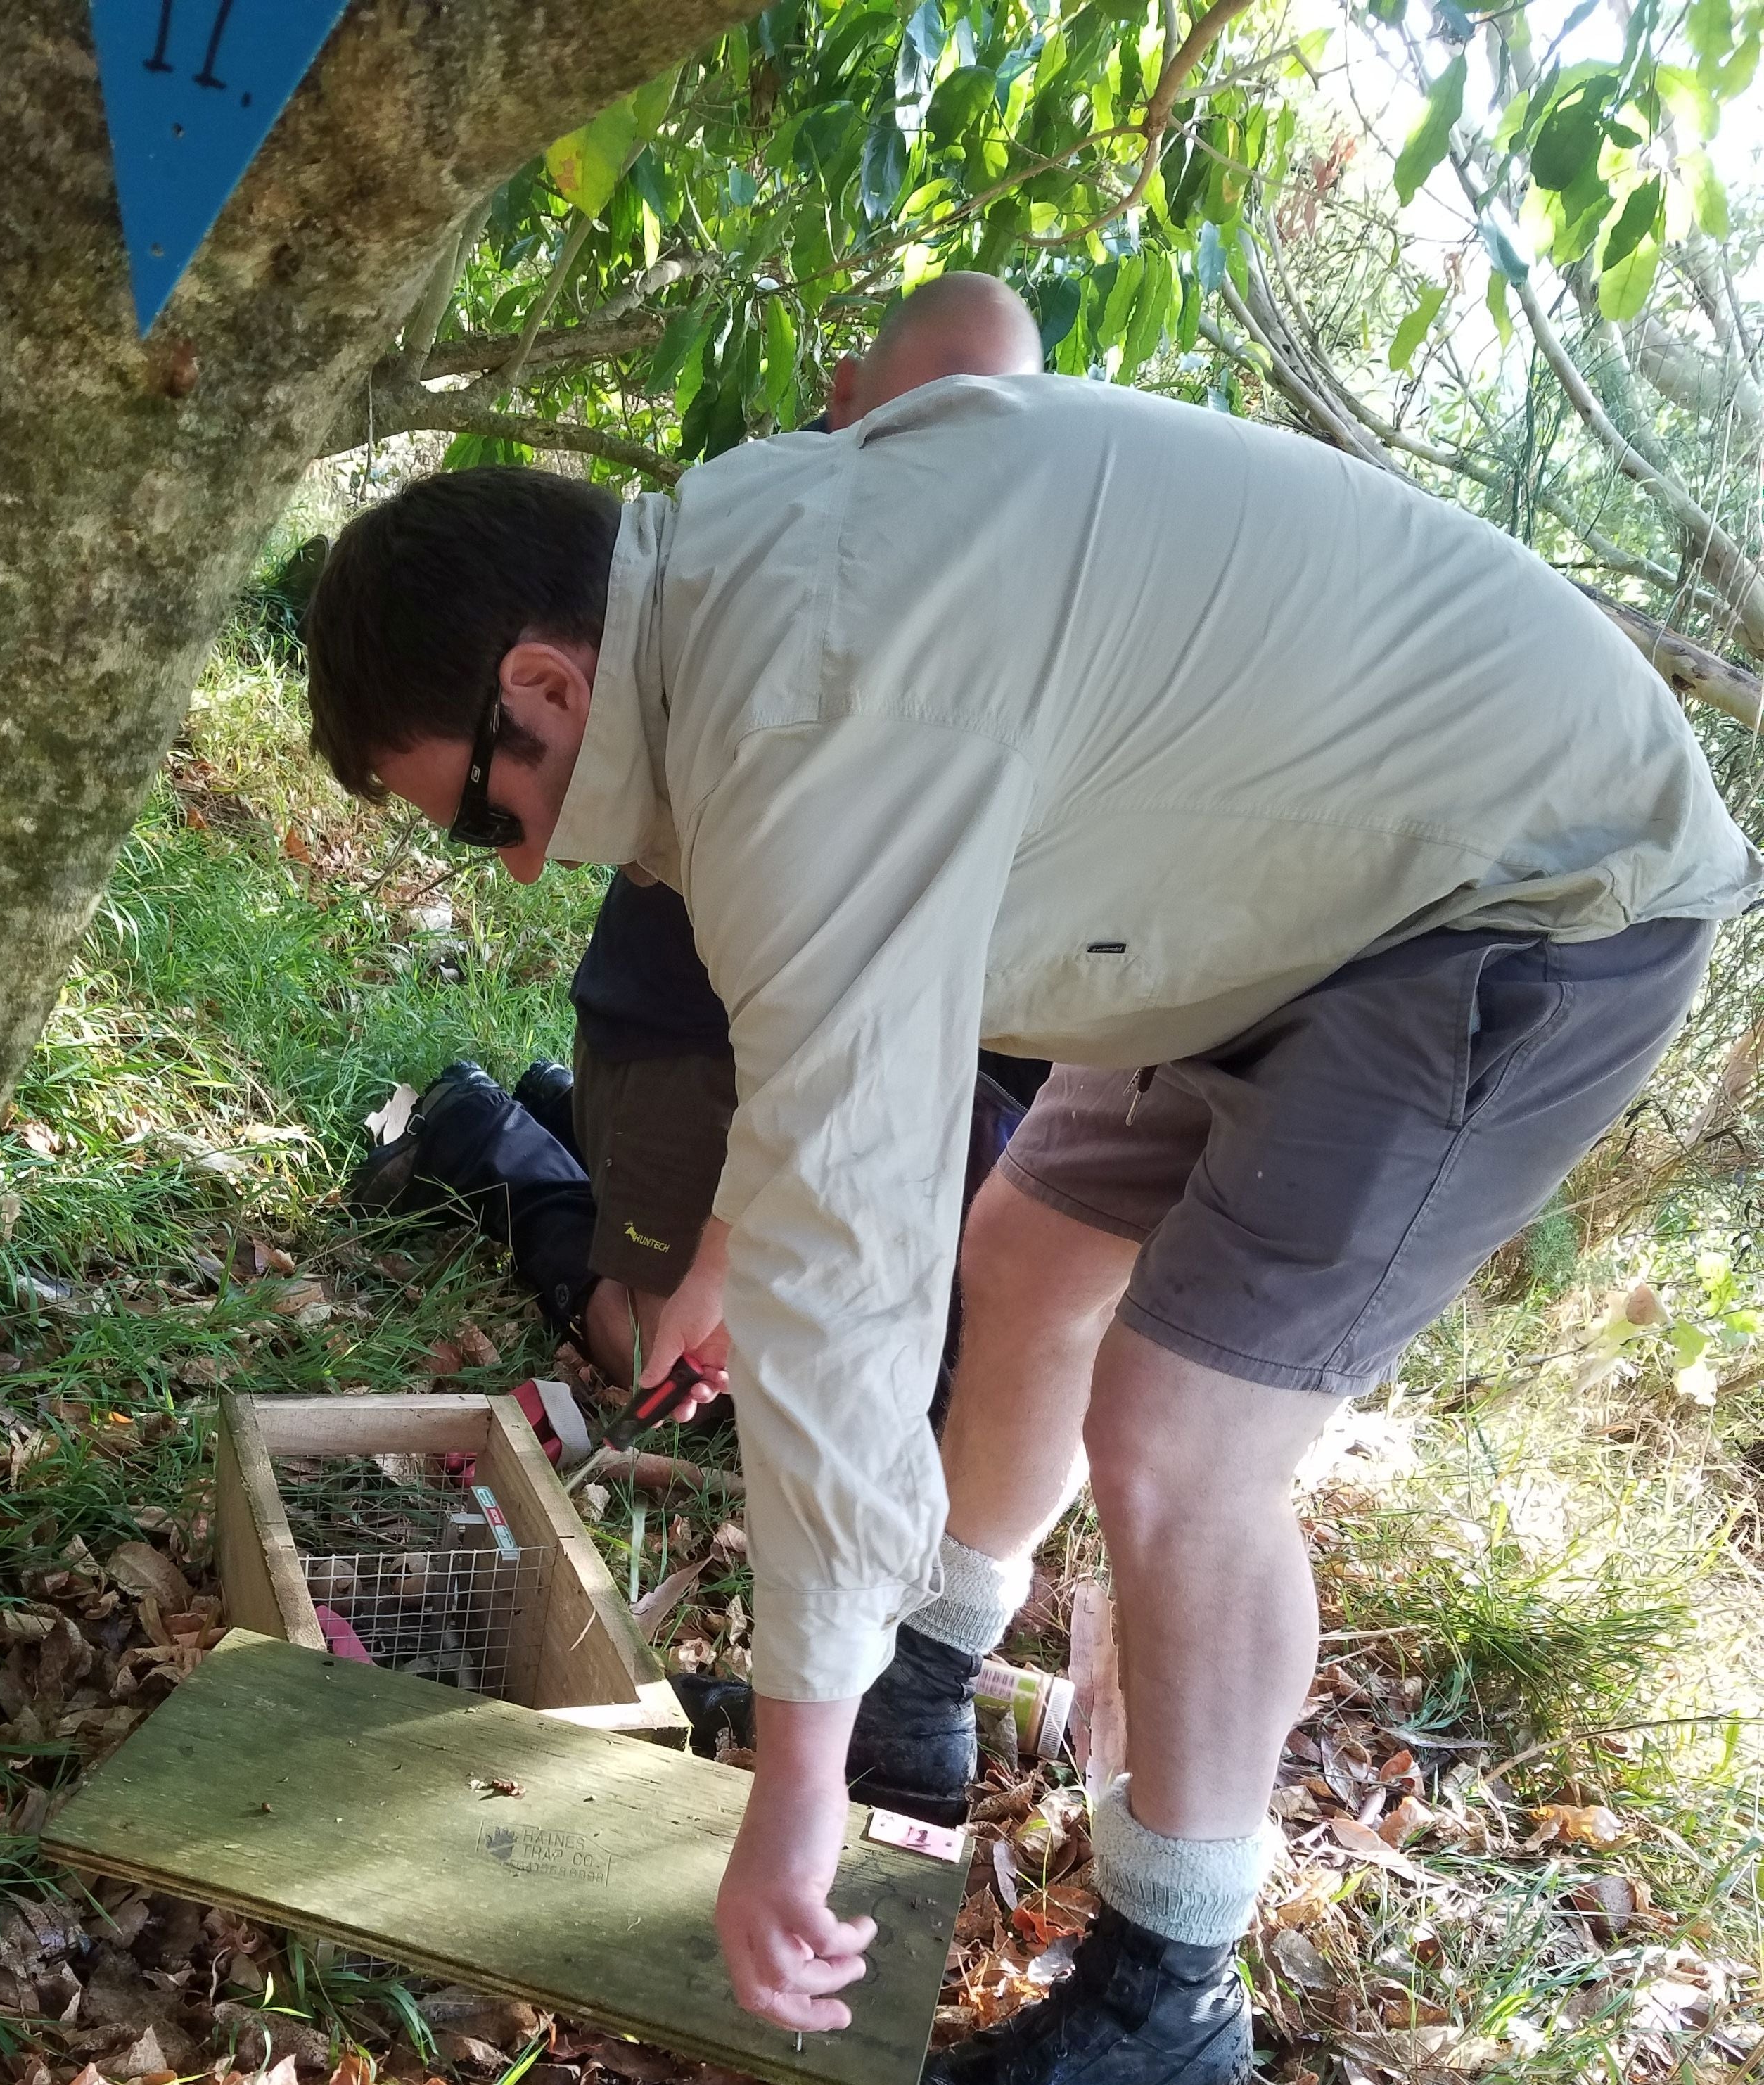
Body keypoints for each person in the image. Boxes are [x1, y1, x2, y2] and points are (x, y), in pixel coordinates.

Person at [298, 374, 1760, 2084]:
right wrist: (725, 1287)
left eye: (488, 815)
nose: (525, 864)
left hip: (1529, 890)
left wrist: (791, 1786)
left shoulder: (801, 713)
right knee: (1030, 1249)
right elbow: (829, 1107)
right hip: (1279, 891)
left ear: (544, 687)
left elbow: (848, 1254)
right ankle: (926, 1684)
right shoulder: (744, 605)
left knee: (1181, 1437)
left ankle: (1173, 1995)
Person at [359, 274, 1046, 1397]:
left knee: (945, 1369)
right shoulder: (774, 624)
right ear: (847, 401)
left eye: (993, 435)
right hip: (687, 1030)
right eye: (924, 425)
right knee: (683, 1358)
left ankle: (565, 1119)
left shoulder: (1002, 611)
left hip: (885, 1040)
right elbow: (819, 1056)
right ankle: (497, 1150)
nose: (952, 479)